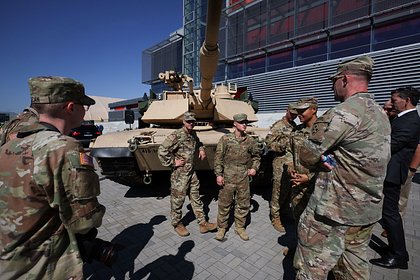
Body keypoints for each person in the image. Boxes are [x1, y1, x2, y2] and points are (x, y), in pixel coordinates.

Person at [293, 55, 391, 279]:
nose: (332, 85)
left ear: (345, 79)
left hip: (334, 210)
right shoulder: (380, 113)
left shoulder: (343, 113)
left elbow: (307, 156)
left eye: (334, 80)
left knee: (311, 268)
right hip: (367, 209)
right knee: (353, 268)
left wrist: (323, 158)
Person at [0, 76, 106, 279]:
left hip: (11, 263)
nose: (86, 110)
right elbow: (85, 222)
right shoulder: (63, 148)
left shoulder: (8, 147)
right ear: (70, 107)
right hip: (44, 266)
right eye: (84, 105)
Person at [370, 86, 420, 269]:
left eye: (395, 99)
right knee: (389, 213)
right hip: (390, 171)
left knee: (390, 215)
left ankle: (398, 256)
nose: (392, 103)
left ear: (406, 100)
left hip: (393, 173)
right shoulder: (404, 118)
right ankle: (396, 252)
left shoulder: (411, 120)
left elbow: (391, 145)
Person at [158, 111, 217, 237]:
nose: (191, 123)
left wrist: (201, 149)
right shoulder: (176, 135)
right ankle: (177, 223)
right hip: (180, 174)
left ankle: (202, 223)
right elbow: (162, 150)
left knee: (196, 198)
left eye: (193, 121)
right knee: (178, 200)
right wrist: (173, 162)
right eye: (189, 121)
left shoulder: (193, 133)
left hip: (191, 172)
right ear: (184, 122)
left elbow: (198, 142)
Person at [214, 113, 261, 241]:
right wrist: (218, 174)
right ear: (235, 124)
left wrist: (254, 168)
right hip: (228, 175)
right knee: (224, 203)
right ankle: (222, 228)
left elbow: (256, 157)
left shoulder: (250, 141)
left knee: (243, 203)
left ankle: (240, 227)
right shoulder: (225, 139)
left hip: (243, 176)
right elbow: (218, 158)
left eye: (246, 122)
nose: (244, 125)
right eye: (241, 122)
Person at [265, 103, 297, 232]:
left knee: (288, 189)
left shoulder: (294, 126)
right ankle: (275, 217)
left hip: (291, 163)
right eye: (292, 113)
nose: (294, 116)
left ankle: (284, 211)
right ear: (287, 110)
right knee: (278, 191)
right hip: (280, 162)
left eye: (296, 113)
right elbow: (269, 144)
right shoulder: (278, 126)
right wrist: (286, 143)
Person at [289, 97, 318, 221]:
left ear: (314, 110)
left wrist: (309, 177)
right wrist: (290, 167)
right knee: (298, 220)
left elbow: (333, 163)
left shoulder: (325, 132)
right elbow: (289, 151)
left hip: (317, 188)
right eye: (298, 111)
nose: (299, 114)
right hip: (297, 187)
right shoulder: (297, 131)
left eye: (303, 111)